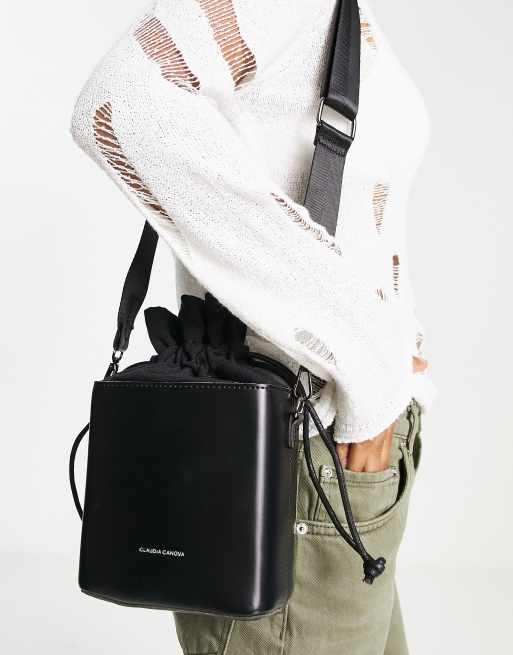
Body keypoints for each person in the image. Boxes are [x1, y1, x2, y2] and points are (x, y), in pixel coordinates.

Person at [71, 1, 435, 652]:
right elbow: (122, 104)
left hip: (345, 451)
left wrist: (385, 362)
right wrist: (367, 352)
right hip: (299, 451)